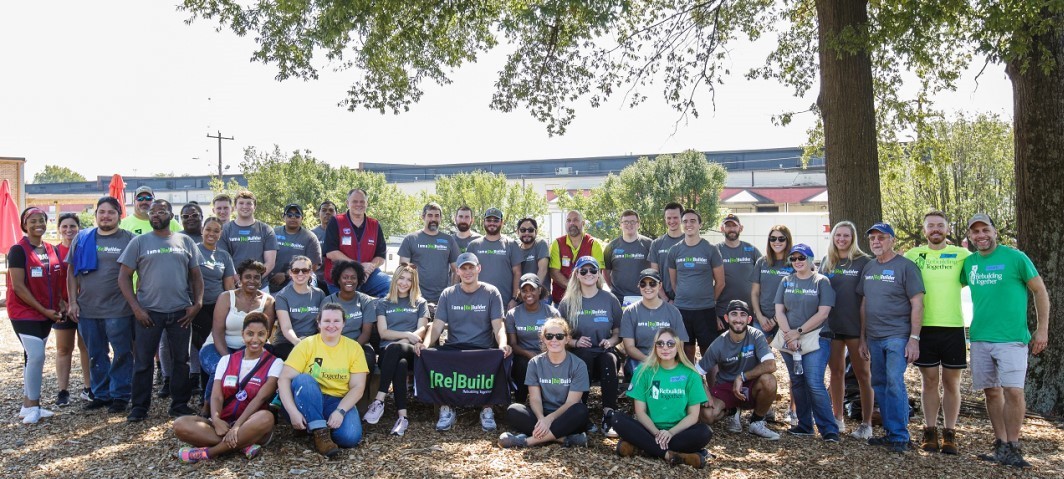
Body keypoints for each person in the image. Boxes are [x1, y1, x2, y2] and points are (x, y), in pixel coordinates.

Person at [962, 213, 1050, 468]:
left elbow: (1040, 291)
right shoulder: (970, 264)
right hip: (979, 338)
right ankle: (1000, 444)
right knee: (991, 392)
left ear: (994, 231)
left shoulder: (1016, 258)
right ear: (969, 236)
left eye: (985, 230)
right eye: (975, 231)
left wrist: (1042, 330)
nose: (981, 235)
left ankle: (1013, 445)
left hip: (1012, 339)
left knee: (1013, 390)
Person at [117, 199, 204, 422]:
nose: (155, 214)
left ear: (171, 216)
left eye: (161, 211)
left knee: (181, 361)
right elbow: (124, 277)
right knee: (144, 361)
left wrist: (198, 304)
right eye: (152, 212)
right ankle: (139, 407)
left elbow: (196, 276)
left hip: (180, 313)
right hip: (148, 313)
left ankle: (179, 404)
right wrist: (136, 308)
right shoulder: (139, 242)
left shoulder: (185, 241)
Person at [903, 211, 971, 454]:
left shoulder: (963, 255)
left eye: (940, 225)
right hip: (924, 328)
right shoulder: (913, 255)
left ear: (947, 229)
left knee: (952, 383)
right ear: (924, 230)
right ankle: (929, 430)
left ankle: (950, 433)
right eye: (930, 226)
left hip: (953, 326)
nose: (935, 229)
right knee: (929, 381)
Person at [173, 313, 280, 463]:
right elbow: (216, 396)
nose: (255, 339)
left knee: (267, 418)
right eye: (250, 334)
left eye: (261, 334)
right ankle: (242, 445)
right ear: (242, 335)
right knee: (180, 424)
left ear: (267, 335)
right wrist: (216, 420)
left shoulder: (275, 362)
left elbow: (260, 398)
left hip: (252, 424)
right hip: (222, 424)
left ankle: (209, 452)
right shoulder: (226, 360)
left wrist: (237, 427)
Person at [423, 252, 512, 432]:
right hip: (454, 349)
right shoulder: (448, 294)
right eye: (464, 268)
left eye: (471, 267)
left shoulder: (491, 292)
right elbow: (437, 326)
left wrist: (503, 344)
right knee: (430, 356)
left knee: (501, 356)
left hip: (482, 350)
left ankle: (487, 408)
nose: (468, 271)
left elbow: (499, 326)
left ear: (479, 268)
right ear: (457, 271)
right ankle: (446, 407)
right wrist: (424, 345)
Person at [857, 222, 924, 453]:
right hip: (874, 337)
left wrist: (914, 338)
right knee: (880, 383)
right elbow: (864, 304)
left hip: (897, 336)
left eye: (882, 237)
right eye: (872, 238)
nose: (876, 241)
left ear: (892, 240)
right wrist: (863, 338)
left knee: (895, 382)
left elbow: (917, 304)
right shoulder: (869, 268)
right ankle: (890, 431)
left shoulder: (907, 267)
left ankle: (901, 436)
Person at [67, 197, 137, 414]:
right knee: (96, 353)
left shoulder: (130, 240)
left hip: (119, 308)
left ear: (119, 215)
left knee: (122, 352)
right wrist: (72, 302)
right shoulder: (82, 238)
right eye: (102, 212)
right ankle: (101, 394)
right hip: (88, 308)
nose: (106, 216)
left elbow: (142, 270)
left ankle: (120, 395)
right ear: (96, 214)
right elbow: (72, 272)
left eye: (111, 212)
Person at [609, 328, 712, 469]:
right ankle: (671, 455)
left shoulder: (690, 374)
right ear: (655, 347)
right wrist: (657, 434)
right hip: (650, 429)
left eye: (670, 344)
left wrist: (670, 433)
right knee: (617, 418)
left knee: (705, 432)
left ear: (678, 346)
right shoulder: (643, 371)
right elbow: (640, 412)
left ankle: (643, 447)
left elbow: (693, 416)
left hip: (678, 432)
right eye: (660, 344)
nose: (665, 348)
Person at [278, 303, 370, 457]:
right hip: (307, 398)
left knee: (349, 438)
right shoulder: (306, 344)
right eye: (327, 321)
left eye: (336, 321)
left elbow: (358, 387)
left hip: (337, 400)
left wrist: (340, 411)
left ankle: (313, 426)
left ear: (344, 323)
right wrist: (292, 412)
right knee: (304, 380)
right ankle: (321, 434)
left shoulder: (354, 348)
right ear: (319, 323)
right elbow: (284, 379)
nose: (331, 325)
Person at [774, 244, 838, 441]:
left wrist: (798, 332)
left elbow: (824, 312)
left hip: (815, 338)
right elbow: (779, 311)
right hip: (789, 339)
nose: (797, 262)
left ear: (810, 259)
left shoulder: (821, 281)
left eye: (801, 257)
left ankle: (829, 429)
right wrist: (789, 335)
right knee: (797, 382)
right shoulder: (786, 281)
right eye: (793, 259)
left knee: (814, 382)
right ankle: (804, 425)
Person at [6, 208, 64, 424]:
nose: (38, 224)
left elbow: (57, 278)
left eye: (41, 220)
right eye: (32, 221)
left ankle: (26, 405)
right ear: (24, 225)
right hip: (24, 311)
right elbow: (19, 287)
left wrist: (60, 302)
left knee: (32, 358)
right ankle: (33, 405)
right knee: (37, 356)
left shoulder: (50, 248)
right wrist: (43, 310)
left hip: (46, 312)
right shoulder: (18, 250)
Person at [819, 221, 874, 439]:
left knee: (863, 375)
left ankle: (866, 423)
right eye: (838, 235)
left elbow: (868, 298)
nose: (841, 239)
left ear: (853, 238)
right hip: (832, 327)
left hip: (856, 328)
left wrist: (864, 334)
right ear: (833, 237)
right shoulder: (827, 261)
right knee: (836, 373)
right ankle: (838, 418)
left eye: (846, 236)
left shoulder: (864, 262)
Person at [499, 318, 591, 448]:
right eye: (549, 336)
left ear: (567, 339)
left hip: (566, 416)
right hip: (542, 415)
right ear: (543, 339)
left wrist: (550, 419)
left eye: (559, 336)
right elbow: (535, 398)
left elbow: (571, 403)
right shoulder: (534, 363)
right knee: (514, 410)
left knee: (581, 411)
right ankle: (565, 439)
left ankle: (526, 442)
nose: (554, 340)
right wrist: (542, 418)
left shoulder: (578, 365)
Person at [557, 256, 622, 435]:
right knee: (583, 357)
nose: (588, 274)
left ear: (598, 273)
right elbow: (559, 334)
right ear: (577, 274)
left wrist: (610, 341)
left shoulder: (609, 299)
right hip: (579, 354)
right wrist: (575, 342)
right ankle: (580, 413)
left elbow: (618, 333)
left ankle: (609, 414)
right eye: (583, 271)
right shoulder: (568, 302)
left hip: (603, 352)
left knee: (609, 359)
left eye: (593, 270)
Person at [363, 264, 430, 436]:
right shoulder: (383, 303)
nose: (404, 283)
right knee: (399, 363)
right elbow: (383, 333)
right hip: (389, 351)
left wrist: (406, 338)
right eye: (401, 278)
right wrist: (406, 334)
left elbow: (421, 330)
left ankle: (379, 400)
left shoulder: (420, 303)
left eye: (409, 280)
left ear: (414, 283)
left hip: (411, 350)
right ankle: (403, 417)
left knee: (397, 351)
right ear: (395, 279)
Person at [698, 300, 780, 441]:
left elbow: (771, 365)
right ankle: (731, 410)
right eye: (734, 314)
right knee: (707, 415)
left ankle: (756, 421)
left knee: (769, 381)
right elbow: (695, 372)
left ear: (749, 319)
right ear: (726, 318)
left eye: (742, 315)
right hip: (726, 387)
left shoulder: (756, 336)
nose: (738, 319)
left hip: (750, 385)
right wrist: (705, 391)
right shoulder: (718, 344)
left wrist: (742, 377)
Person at [200, 260, 274, 408]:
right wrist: (228, 358)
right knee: (220, 368)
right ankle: (208, 408)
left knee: (246, 372)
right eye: (247, 276)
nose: (252, 280)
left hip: (251, 348)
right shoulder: (226, 297)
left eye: (256, 277)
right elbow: (217, 331)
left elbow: (265, 334)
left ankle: (236, 407)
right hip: (217, 345)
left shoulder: (268, 301)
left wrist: (243, 357)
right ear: (239, 278)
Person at [666, 209, 725, 360]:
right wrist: (684, 297)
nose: (688, 224)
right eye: (685, 221)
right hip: (682, 310)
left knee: (709, 353)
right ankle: (691, 382)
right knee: (686, 352)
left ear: (700, 224)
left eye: (693, 221)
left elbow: (720, 283)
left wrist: (709, 300)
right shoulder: (675, 251)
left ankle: (712, 384)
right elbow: (674, 282)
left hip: (705, 310)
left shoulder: (711, 250)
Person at [189, 216, 237, 395]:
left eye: (216, 231)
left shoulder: (224, 255)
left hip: (218, 307)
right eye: (208, 229)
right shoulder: (192, 251)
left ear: (220, 234)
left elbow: (229, 285)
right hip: (197, 306)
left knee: (218, 345)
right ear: (202, 230)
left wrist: (231, 308)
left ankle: (215, 389)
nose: (212, 233)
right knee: (204, 345)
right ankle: (205, 392)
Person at [52, 212, 91, 406]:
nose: (69, 230)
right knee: (63, 348)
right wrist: (62, 303)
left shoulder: (85, 249)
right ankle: (63, 391)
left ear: (79, 228)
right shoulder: (54, 251)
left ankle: (88, 387)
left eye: (73, 226)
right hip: (62, 308)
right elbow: (50, 283)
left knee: (86, 347)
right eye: (65, 226)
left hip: (85, 306)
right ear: (59, 229)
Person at [619, 269, 688, 378]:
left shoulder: (673, 311)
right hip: (640, 359)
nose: (648, 287)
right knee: (642, 375)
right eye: (643, 284)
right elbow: (629, 347)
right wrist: (650, 361)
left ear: (660, 285)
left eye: (652, 284)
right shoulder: (630, 311)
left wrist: (666, 360)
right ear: (638, 286)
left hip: (667, 358)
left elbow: (680, 343)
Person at [505, 274, 561, 403]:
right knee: (523, 365)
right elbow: (513, 344)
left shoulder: (552, 313)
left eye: (532, 289)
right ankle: (520, 404)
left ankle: (551, 404)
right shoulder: (513, 314)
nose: (528, 294)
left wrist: (545, 355)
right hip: (523, 355)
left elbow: (559, 340)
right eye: (524, 291)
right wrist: (528, 354)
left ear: (539, 290)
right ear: (520, 292)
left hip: (549, 354)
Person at [324, 188, 390, 297]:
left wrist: (369, 269)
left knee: (392, 286)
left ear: (367, 203)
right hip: (340, 277)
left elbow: (381, 256)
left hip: (368, 277)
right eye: (355, 201)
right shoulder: (336, 221)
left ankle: (374, 311)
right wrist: (358, 266)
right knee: (345, 309)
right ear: (347, 203)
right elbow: (331, 253)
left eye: (362, 201)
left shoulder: (374, 225)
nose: (358, 204)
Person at [397, 202, 459, 303]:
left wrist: (452, 292)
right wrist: (413, 293)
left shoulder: (449, 240)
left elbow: (456, 269)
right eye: (430, 215)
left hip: (442, 298)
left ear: (440, 218)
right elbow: (403, 269)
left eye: (437, 216)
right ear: (423, 217)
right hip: (415, 297)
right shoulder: (411, 239)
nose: (433, 219)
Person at [323, 260, 378, 368]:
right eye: (345, 277)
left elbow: (366, 333)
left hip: (358, 344)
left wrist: (351, 349)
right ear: (338, 280)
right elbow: (324, 331)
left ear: (358, 280)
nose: (349, 280)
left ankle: (363, 386)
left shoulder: (365, 301)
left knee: (368, 358)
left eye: (353, 277)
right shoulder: (328, 301)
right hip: (333, 344)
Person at [466, 207, 523, 311]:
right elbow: (466, 273)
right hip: (477, 304)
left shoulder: (511, 244)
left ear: (502, 222)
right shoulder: (473, 245)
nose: (492, 223)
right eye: (489, 220)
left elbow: (517, 273)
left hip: (505, 304)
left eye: (496, 220)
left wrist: (514, 298)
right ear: (483, 222)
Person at [219, 190, 278, 288]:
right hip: (234, 286)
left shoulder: (266, 229)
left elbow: (270, 263)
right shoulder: (225, 230)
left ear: (254, 207)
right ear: (235, 207)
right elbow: (224, 261)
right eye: (241, 203)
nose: (245, 206)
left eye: (249, 203)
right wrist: (240, 281)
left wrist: (253, 280)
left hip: (260, 286)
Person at [272, 255, 326, 359]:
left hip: (312, 342)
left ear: (310, 272)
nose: (300, 274)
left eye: (304, 270)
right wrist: (298, 343)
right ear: (290, 273)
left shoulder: (319, 294)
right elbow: (286, 328)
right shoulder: (282, 296)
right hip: (287, 342)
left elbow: (321, 323)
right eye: (296, 270)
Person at [549, 210, 605, 304]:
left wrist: (582, 291)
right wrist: (574, 288)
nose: (572, 223)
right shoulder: (557, 243)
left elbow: (597, 273)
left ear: (582, 223)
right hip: (561, 301)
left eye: (575, 220)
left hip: (587, 301)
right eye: (568, 220)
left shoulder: (593, 244)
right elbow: (554, 272)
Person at [716, 214, 762, 326]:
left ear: (740, 228)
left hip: (748, 313)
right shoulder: (715, 250)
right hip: (723, 312)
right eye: (728, 226)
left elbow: (765, 273)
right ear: (722, 229)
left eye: (734, 226)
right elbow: (706, 283)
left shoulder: (751, 250)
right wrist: (714, 314)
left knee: (747, 344)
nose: (731, 229)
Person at [750, 225, 794, 336]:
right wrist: (760, 317)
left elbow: (795, 297)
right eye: (773, 238)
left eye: (781, 238)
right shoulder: (761, 262)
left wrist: (775, 320)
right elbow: (755, 293)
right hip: (762, 321)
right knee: (760, 353)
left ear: (787, 240)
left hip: (787, 320)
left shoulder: (795, 263)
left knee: (788, 353)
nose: (777, 242)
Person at [269, 203, 322, 294]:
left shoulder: (310, 237)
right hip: (274, 279)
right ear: (284, 217)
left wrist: (287, 275)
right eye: (289, 215)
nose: (293, 218)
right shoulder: (272, 233)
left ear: (302, 218)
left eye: (297, 215)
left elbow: (313, 266)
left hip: (300, 276)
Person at [604, 210, 652, 305]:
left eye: (632, 222)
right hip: (619, 299)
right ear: (620, 225)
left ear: (638, 224)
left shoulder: (649, 244)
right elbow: (605, 271)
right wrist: (613, 288)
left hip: (644, 297)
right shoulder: (611, 246)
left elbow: (656, 270)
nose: (629, 225)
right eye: (625, 222)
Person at [649, 202, 684, 302]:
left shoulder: (690, 241)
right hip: (665, 300)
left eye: (675, 217)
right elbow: (654, 275)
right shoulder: (656, 244)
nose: (672, 221)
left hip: (688, 300)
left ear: (681, 218)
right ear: (665, 219)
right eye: (668, 218)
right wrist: (665, 298)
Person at [515, 217, 550, 289]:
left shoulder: (541, 244)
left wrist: (533, 291)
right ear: (517, 232)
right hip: (522, 294)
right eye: (523, 230)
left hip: (540, 295)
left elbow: (542, 270)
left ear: (536, 232)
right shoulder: (515, 249)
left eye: (530, 230)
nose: (526, 233)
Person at [312, 200, 338, 294]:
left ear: (336, 214)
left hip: (337, 280)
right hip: (316, 279)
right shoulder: (312, 234)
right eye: (324, 210)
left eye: (331, 210)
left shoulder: (343, 233)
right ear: (318, 214)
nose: (327, 212)